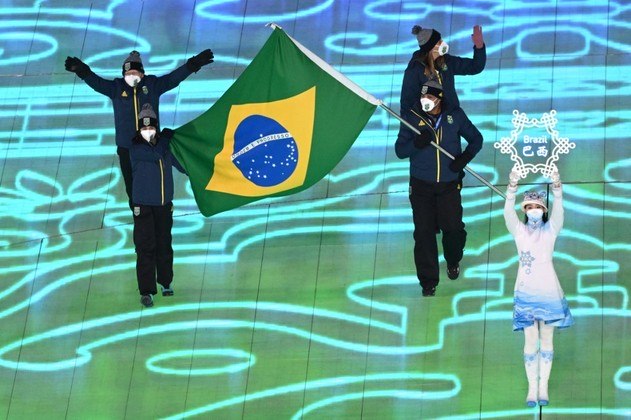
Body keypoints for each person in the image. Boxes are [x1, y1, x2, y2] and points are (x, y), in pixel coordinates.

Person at [64, 48, 213, 209]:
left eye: (135, 72)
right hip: (127, 149)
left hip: (152, 146)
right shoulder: (116, 88)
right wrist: (82, 70)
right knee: (134, 189)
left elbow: (172, 79)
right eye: (127, 74)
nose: (131, 77)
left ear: (142, 73)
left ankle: (163, 210)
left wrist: (192, 65)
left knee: (155, 183)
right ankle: (139, 217)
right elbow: (97, 83)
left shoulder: (152, 85)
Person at [395, 80, 483, 297]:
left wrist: (463, 159)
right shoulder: (411, 118)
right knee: (423, 234)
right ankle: (428, 281)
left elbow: (476, 140)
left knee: (453, 229)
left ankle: (453, 260)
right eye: (424, 97)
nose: (426, 101)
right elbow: (400, 150)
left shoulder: (455, 116)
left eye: (431, 98)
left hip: (449, 185)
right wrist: (416, 143)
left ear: (440, 99)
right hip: (420, 186)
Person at [504, 170, 574, 407]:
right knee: (529, 340)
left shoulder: (551, 230)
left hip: (548, 290)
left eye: (538, 206)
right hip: (525, 291)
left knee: (547, 339)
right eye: (529, 206)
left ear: (543, 210)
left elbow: (560, 211)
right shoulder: (519, 232)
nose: (533, 210)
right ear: (524, 210)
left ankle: (543, 386)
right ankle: (532, 389)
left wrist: (556, 185)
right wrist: (512, 186)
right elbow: (507, 213)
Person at [130, 104, 186, 307]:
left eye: (151, 128)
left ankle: (166, 281)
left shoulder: (164, 145)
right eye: (144, 129)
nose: (148, 132)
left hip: (164, 205)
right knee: (146, 247)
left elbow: (181, 165)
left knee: (164, 244)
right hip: (143, 206)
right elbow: (155, 156)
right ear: (139, 130)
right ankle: (146, 290)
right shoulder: (136, 148)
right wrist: (165, 139)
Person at [400, 25, 485, 119]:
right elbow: (407, 103)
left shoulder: (446, 61)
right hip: (429, 124)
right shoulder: (415, 69)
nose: (443, 43)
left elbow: (475, 67)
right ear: (431, 47)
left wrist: (479, 47)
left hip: (450, 120)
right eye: (439, 42)